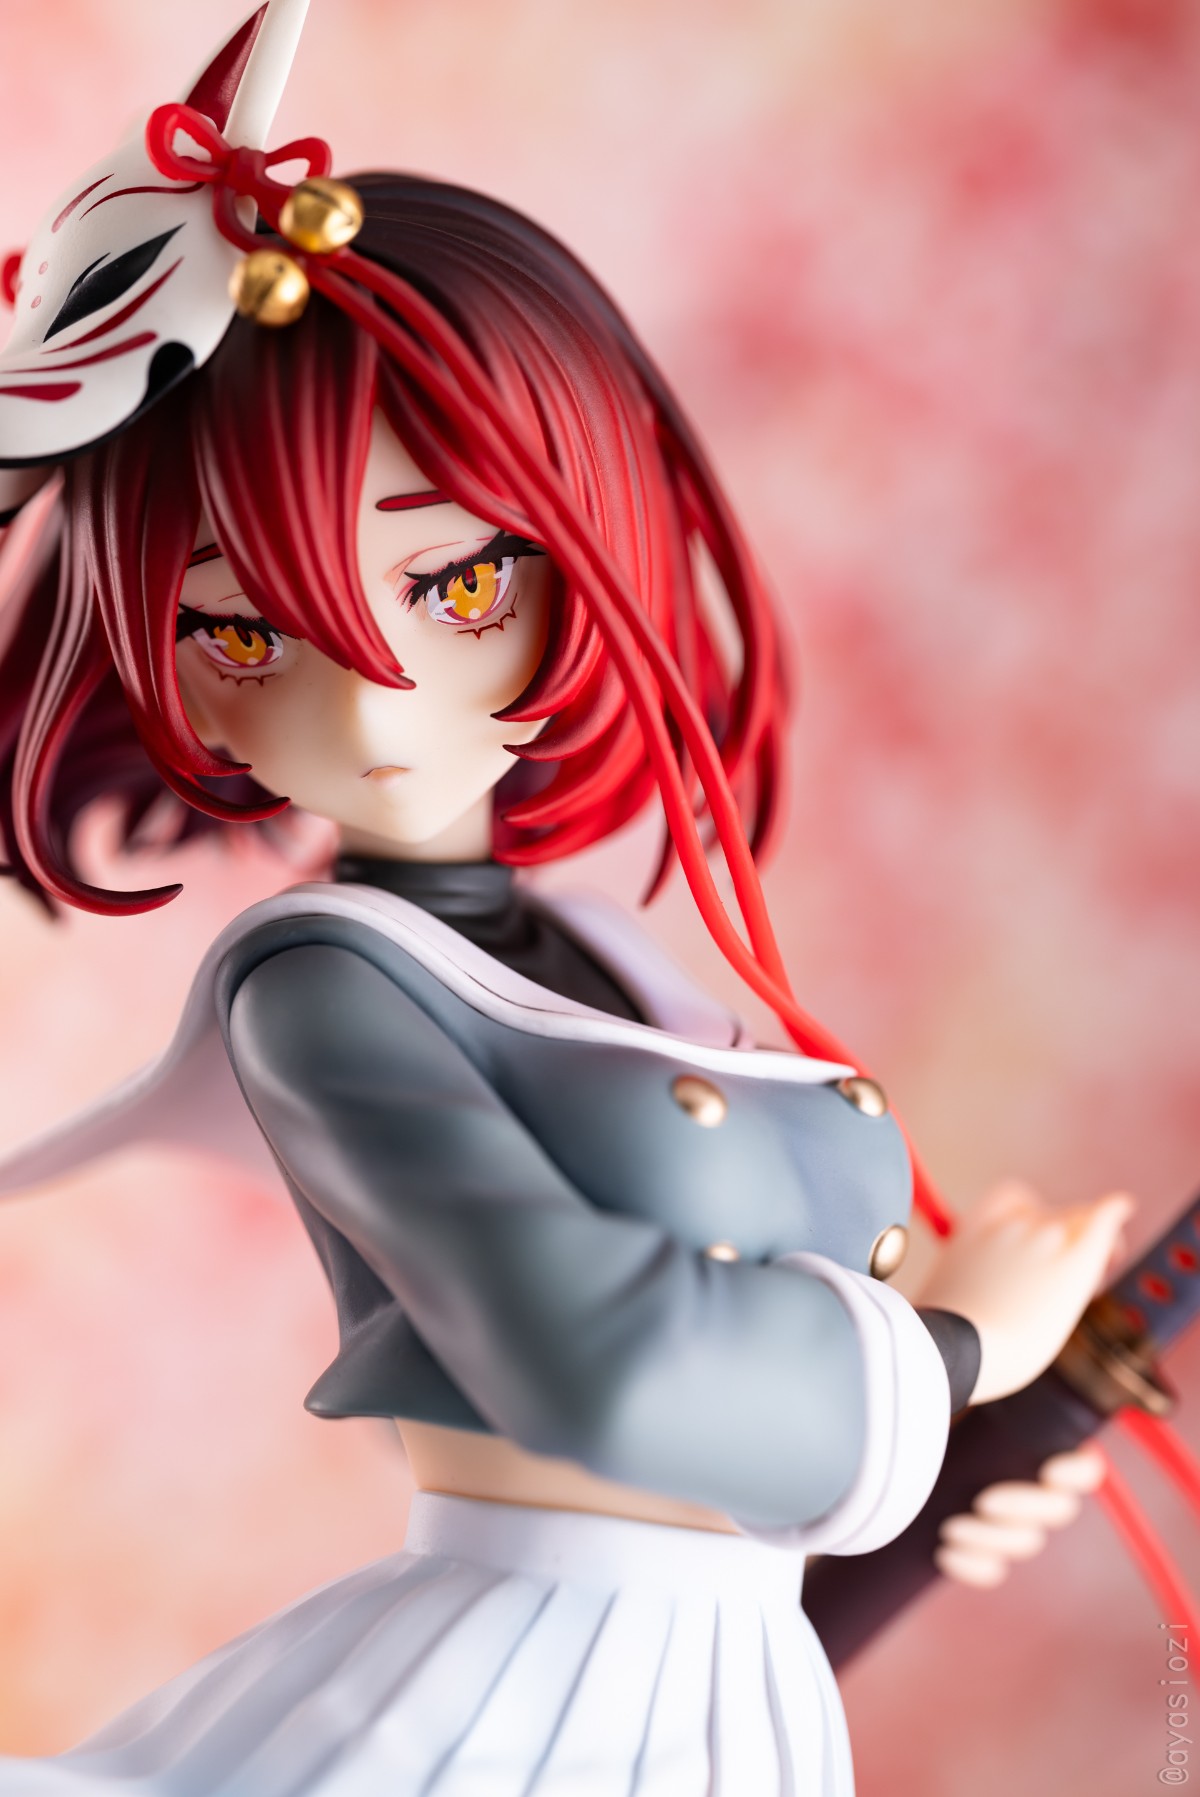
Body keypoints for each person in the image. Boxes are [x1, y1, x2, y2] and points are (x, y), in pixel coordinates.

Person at [0, 3, 1125, 1790]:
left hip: (717, 1682)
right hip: (503, 1683)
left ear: (583, 542)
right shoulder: (325, 991)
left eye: (454, 589)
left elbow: (724, 1440)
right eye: (244, 632)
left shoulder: (608, 960)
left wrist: (926, 1476)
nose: (375, 713)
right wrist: (954, 1346)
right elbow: (596, 1365)